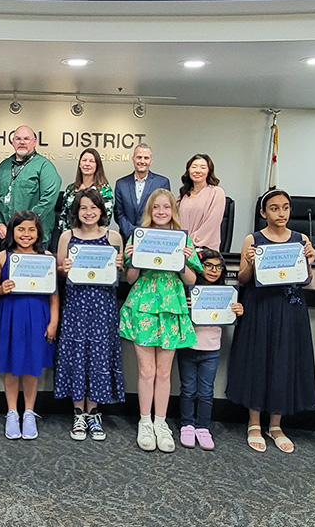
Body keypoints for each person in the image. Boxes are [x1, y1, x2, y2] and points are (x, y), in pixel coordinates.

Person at [226, 188, 315, 454]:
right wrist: (251, 263)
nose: (281, 213)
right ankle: (254, 422)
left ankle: (276, 424)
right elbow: (243, 279)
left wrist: (309, 261)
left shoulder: (301, 239)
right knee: (258, 359)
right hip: (260, 306)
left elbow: (306, 279)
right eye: (274, 208)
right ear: (263, 213)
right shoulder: (253, 239)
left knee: (284, 361)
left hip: (289, 307)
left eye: (285, 207)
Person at [119, 188, 201, 453]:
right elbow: (130, 278)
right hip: (143, 305)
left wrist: (183, 261)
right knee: (146, 371)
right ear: (150, 211)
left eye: (166, 207)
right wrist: (133, 258)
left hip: (171, 306)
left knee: (164, 372)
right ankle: (145, 422)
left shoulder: (183, 240)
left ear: (173, 211)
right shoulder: (138, 236)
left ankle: (161, 422)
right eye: (156, 207)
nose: (161, 212)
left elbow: (191, 280)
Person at [55, 190, 124, 441]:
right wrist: (64, 268)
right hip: (76, 305)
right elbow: (59, 272)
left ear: (101, 211)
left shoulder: (113, 237)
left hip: (103, 306)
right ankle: (78, 412)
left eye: (94, 207)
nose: (88, 212)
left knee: (98, 356)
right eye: (83, 208)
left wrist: (120, 266)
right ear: (77, 211)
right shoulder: (67, 236)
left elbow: (120, 274)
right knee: (77, 355)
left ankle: (93, 412)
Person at [0, 211, 58, 440]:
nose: (26, 234)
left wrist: (53, 321)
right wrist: (1, 289)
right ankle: (12, 412)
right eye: (20, 229)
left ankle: (29, 412)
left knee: (32, 364)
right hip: (11, 314)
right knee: (11, 364)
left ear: (38, 232)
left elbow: (54, 293)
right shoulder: (3, 256)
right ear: (12, 231)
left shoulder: (46, 256)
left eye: (31, 229)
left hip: (38, 314)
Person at [177, 248, 243, 451]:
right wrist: (185, 306)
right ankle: (187, 425)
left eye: (219, 267)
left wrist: (237, 310)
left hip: (212, 349)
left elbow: (231, 316)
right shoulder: (188, 289)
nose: (214, 270)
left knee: (206, 392)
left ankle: (202, 427)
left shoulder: (226, 294)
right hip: (188, 346)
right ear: (200, 266)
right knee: (188, 389)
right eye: (209, 265)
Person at [0, 125, 61, 247]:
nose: (22, 142)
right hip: (7, 236)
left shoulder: (44, 166)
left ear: (34, 142)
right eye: (18, 139)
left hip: (35, 238)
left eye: (26, 139)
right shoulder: (3, 166)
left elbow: (48, 199)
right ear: (13, 142)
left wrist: (25, 226)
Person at [113, 144, 171, 243]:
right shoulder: (121, 184)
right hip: (127, 239)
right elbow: (119, 213)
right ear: (133, 159)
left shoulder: (162, 182)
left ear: (151, 161)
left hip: (152, 239)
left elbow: (163, 212)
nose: (142, 161)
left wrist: (145, 234)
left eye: (146, 158)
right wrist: (134, 233)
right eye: (139, 157)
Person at [57, 148, 114, 233]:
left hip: (95, 237)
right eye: (84, 160)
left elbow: (106, 219)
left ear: (97, 165)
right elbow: (63, 216)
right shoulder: (71, 189)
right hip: (71, 235)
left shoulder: (104, 190)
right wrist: (68, 235)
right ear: (79, 164)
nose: (87, 164)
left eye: (91, 161)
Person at [178, 154, 226, 250]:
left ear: (209, 171)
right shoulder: (184, 194)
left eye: (203, 167)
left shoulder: (216, 192)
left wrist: (190, 241)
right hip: (183, 248)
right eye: (194, 167)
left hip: (204, 248)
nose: (197, 170)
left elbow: (212, 224)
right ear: (188, 170)